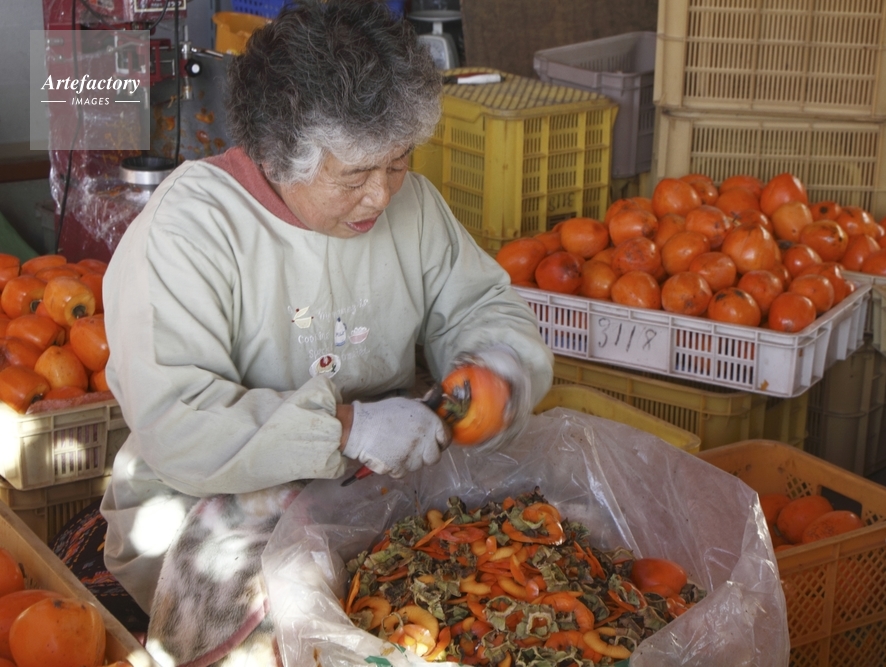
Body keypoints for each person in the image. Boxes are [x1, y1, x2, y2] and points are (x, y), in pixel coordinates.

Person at [98, 1, 553, 663]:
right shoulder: (189, 230)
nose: (381, 196)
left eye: (397, 162)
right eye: (354, 176)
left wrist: (498, 365)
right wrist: (345, 428)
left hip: (376, 482)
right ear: (278, 156)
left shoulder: (413, 208)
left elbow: (479, 304)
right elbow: (179, 425)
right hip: (210, 502)